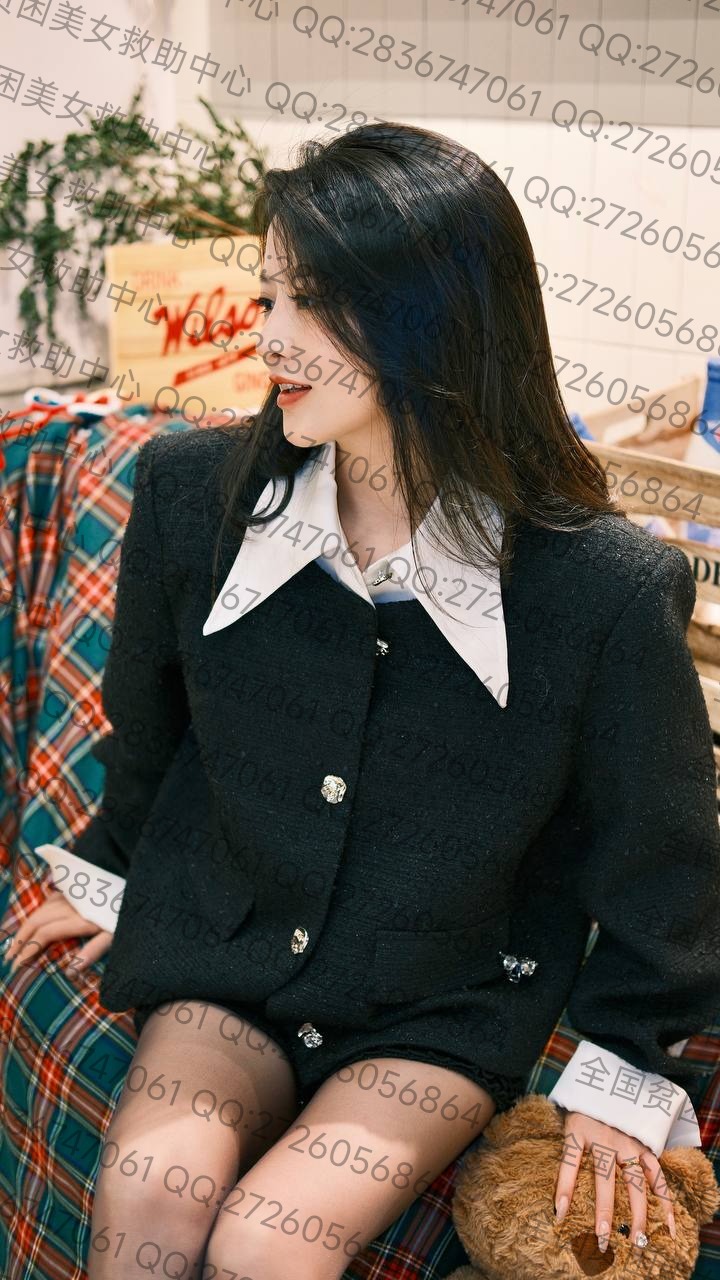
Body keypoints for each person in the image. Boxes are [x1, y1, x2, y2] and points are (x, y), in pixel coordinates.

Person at [7, 122, 720, 1280]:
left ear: (440, 321)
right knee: (149, 1193)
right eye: (270, 295)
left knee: (268, 1242)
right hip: (229, 953)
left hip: (441, 1001)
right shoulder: (191, 495)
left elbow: (663, 856)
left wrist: (627, 1066)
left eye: (316, 304)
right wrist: (112, 865)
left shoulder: (604, 589)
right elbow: (150, 727)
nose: (269, 335)